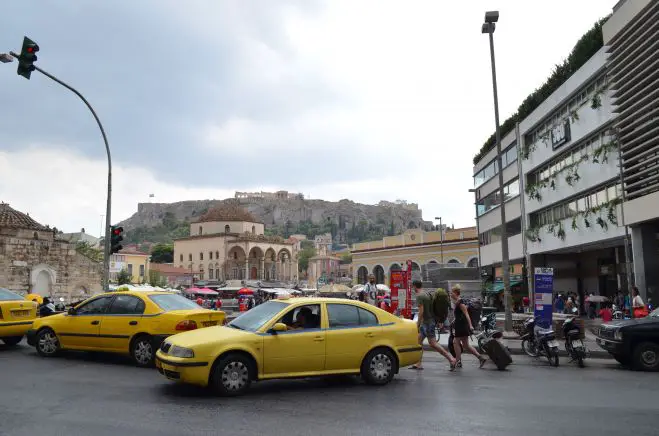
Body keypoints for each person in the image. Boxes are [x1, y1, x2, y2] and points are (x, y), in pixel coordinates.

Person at [409, 280, 457, 371]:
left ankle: (451, 359)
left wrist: (417, 324)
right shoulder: (427, 294)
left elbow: (421, 312)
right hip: (430, 322)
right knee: (418, 342)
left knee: (433, 343)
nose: (412, 288)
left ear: (415, 286)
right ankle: (418, 363)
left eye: (412, 286)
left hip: (426, 323)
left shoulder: (419, 296)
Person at [450, 285, 487, 369]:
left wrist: (470, 325)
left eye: (451, 292)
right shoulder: (458, 302)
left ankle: (456, 361)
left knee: (455, 342)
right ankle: (480, 358)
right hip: (461, 325)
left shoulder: (460, 303)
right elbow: (460, 315)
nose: (450, 294)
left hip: (462, 326)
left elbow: (466, 314)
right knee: (466, 345)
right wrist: (454, 320)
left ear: (456, 292)